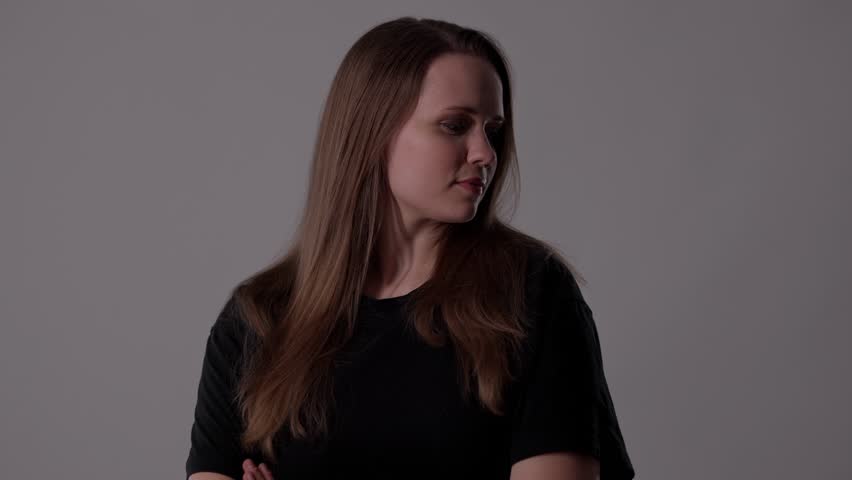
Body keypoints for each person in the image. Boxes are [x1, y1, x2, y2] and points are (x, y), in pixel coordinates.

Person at [186, 16, 636, 480]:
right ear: (372, 133)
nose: (485, 152)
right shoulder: (257, 319)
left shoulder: (531, 295)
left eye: (492, 130)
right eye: (455, 125)